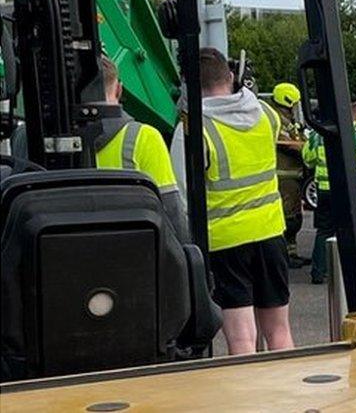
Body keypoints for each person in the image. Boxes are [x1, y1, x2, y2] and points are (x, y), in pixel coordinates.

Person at [170, 48, 293, 355]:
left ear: (189, 86)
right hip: (270, 235)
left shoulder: (193, 130)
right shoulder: (266, 115)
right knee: (279, 332)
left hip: (226, 245)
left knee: (241, 341)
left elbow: (181, 196)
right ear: (231, 77)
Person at [94, 55, 189, 243]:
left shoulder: (42, 141)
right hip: (136, 259)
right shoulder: (144, 138)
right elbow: (172, 213)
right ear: (119, 89)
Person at [302, 117, 356, 284]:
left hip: (324, 189)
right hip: (347, 189)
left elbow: (308, 159)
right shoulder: (355, 137)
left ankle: (318, 272)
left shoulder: (316, 136)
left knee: (323, 231)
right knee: (352, 229)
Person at [270, 82, 309, 269]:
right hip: (284, 176)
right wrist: (308, 148)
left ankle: (291, 253)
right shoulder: (276, 119)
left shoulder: (288, 120)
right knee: (288, 217)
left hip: (293, 176)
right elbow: (288, 143)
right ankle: (284, 255)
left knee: (294, 215)